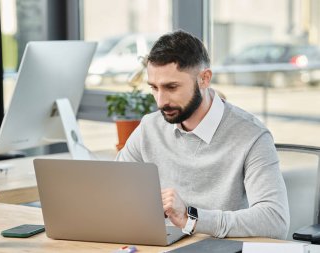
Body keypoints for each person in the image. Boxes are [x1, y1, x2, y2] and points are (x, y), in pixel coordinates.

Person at [116, 30, 289, 239]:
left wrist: (192, 218)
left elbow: (275, 220)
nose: (160, 101)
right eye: (154, 88)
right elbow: (113, 191)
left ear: (204, 79)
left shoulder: (251, 136)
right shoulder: (149, 128)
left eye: (172, 87)